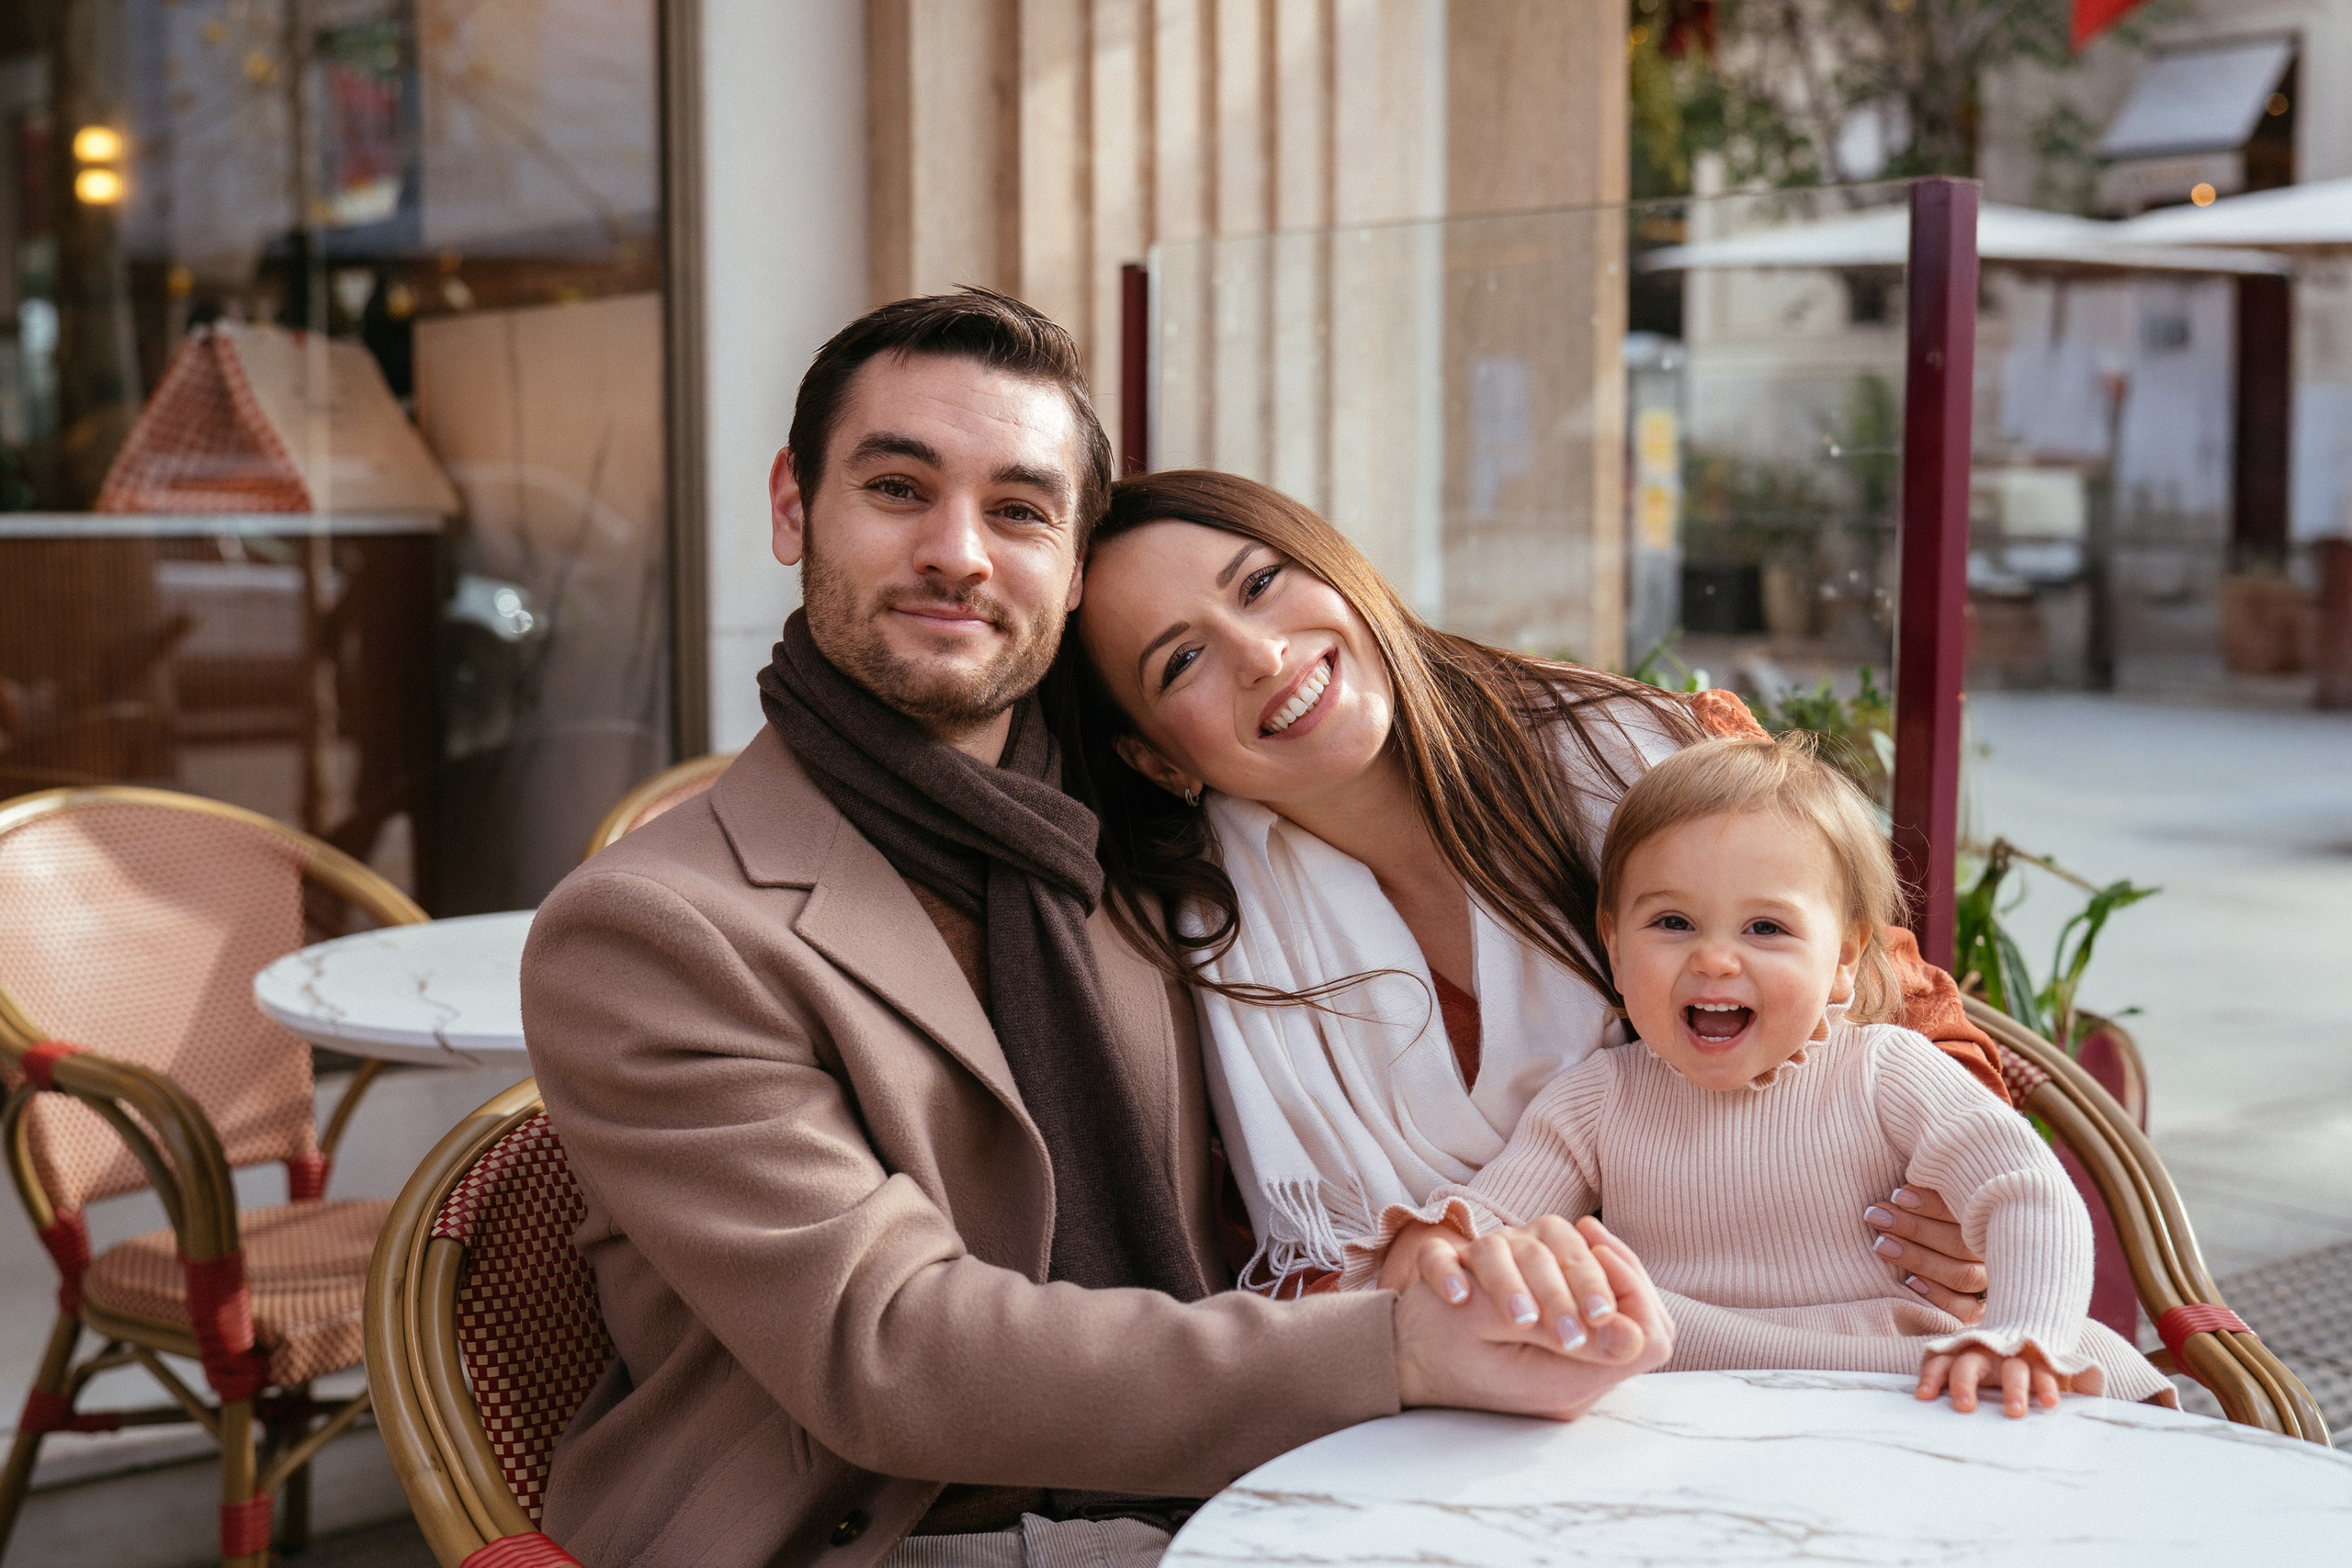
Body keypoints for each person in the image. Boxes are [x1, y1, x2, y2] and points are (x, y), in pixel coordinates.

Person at [519, 291, 1674, 1568]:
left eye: (1018, 510)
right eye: (900, 487)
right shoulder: (651, 927)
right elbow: (889, 1346)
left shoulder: (1125, 834)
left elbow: (1351, 727)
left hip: (1224, 1481)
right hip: (879, 1528)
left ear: (1072, 571)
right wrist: (1393, 1344)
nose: (958, 551)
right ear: (795, 504)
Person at [1059, 469, 2009, 1337]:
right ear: (1153, 757)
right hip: (1509, 1397)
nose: (1261, 654)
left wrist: (1951, 1214)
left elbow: (1910, 1018)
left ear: (1338, 570)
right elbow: (1290, 1281)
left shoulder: (1645, 756)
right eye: (1180, 661)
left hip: (1841, 1332)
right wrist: (1439, 1279)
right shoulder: (1194, 954)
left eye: (1260, 583)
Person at [1362, 734, 2171, 1415]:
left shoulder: (1885, 1071)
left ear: (1845, 958)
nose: (1716, 956)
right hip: (1692, 1402)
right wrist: (1442, 1247)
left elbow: (2025, 1187)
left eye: (1767, 927)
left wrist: (2021, 1331)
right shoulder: (1597, 1099)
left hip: (1907, 1389)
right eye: (1672, 922)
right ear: (1613, 944)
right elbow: (1493, 1222)